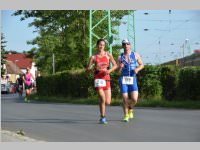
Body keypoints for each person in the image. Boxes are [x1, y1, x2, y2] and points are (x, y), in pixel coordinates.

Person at [86, 39, 117, 124]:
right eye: (100, 45)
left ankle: (102, 111)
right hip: (98, 79)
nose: (101, 46)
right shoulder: (93, 57)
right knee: (102, 98)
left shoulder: (108, 55)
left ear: (104, 46)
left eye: (103, 45)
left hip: (106, 78)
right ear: (97, 45)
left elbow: (115, 65)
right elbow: (87, 70)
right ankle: (102, 117)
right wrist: (93, 68)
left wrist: (109, 71)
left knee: (108, 102)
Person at [118, 39, 144, 122]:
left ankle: (130, 108)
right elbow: (117, 71)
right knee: (125, 98)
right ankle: (126, 116)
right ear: (122, 46)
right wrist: (120, 67)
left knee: (134, 99)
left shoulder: (135, 55)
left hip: (132, 79)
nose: (126, 46)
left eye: (127, 44)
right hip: (123, 79)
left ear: (130, 45)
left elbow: (142, 65)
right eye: (124, 44)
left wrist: (137, 69)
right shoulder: (120, 57)